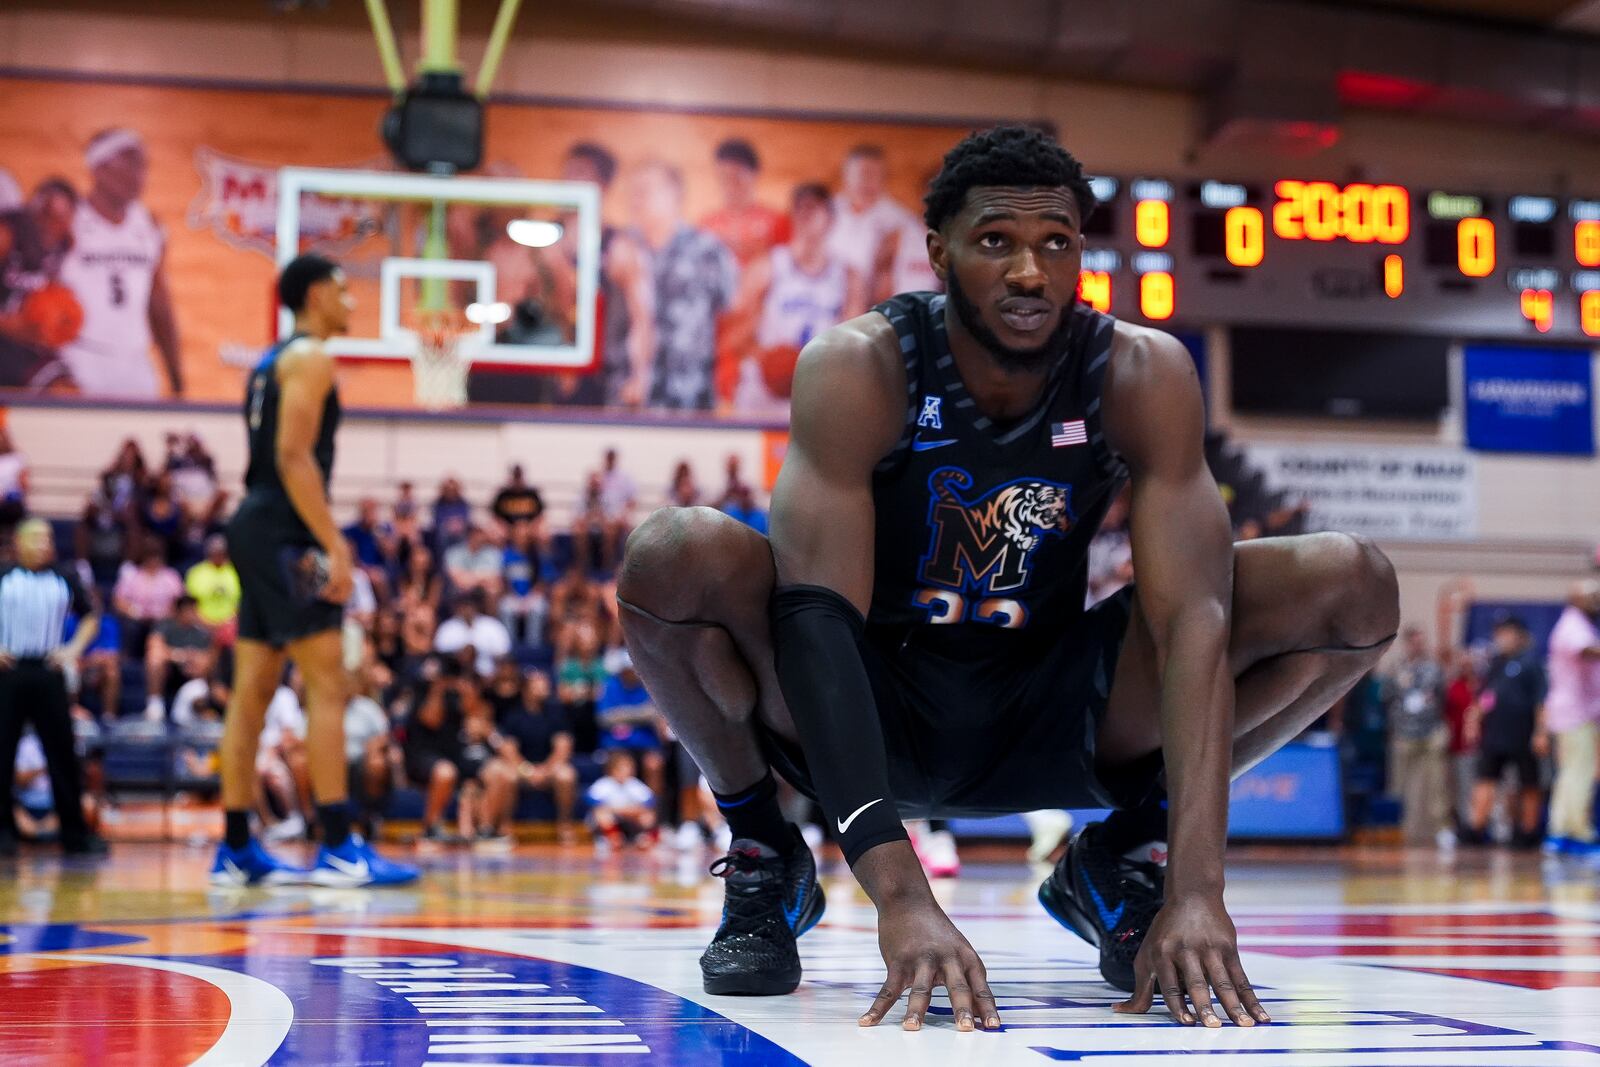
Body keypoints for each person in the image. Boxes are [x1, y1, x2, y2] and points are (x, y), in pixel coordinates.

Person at [617, 125, 1398, 1024]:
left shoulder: (1139, 372)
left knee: (1353, 583)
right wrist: (901, 893)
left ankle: (1122, 854)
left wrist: (1196, 887)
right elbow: (816, 621)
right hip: (870, 703)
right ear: (939, 252)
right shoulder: (861, 364)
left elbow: (1194, 622)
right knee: (674, 553)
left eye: (1055, 242)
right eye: (998, 241)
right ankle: (763, 849)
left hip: (1052, 702)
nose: (1031, 271)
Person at [211, 254, 416, 888]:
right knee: (328, 684)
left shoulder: (271, 362)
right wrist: (337, 545)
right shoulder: (311, 358)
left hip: (256, 524)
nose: (352, 304)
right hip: (283, 532)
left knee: (252, 692)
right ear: (315, 295)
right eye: (344, 292)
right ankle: (336, 847)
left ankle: (237, 847)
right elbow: (295, 458)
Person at [0, 519, 108, 857]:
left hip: (49, 671)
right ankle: (4, 833)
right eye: (36, 538)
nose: (45, 544)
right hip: (10, 671)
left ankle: (74, 834)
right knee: (1, 754)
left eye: (48, 538)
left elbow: (92, 615)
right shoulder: (3, 576)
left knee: (62, 754)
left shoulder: (65, 577)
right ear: (18, 542)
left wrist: (73, 650)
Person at [57, 128, 182, 397]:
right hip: (79, 356)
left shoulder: (149, 225)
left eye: (143, 166)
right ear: (98, 168)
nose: (139, 175)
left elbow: (159, 303)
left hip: (135, 360)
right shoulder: (69, 221)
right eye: (130, 164)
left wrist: (177, 378)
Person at [734, 182, 865, 414]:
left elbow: (852, 345)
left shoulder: (847, 276)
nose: (806, 214)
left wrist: (815, 366)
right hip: (766, 390)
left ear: (831, 219)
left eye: (813, 208)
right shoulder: (767, 267)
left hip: (818, 387)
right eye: (800, 208)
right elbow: (736, 335)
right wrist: (771, 360)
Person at [628, 160, 737, 411]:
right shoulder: (620, 248)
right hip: (629, 399)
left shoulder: (707, 250)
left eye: (644, 190)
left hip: (690, 395)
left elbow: (733, 313)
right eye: (632, 192)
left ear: (673, 194)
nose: (636, 199)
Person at [699, 138, 791, 406]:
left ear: (754, 175)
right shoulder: (707, 224)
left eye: (738, 176)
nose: (731, 185)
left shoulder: (776, 222)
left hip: (761, 331)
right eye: (724, 178)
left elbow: (788, 276)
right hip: (720, 331)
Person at [1462, 616, 1548, 849]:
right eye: (1499, 633)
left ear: (1519, 635)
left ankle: (1528, 832)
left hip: (1522, 734)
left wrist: (1540, 731)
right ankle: (1476, 829)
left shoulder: (1531, 664)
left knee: (1529, 783)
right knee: (1485, 779)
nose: (1502, 638)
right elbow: (1485, 697)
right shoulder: (1496, 664)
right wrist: (1473, 719)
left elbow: (1541, 700)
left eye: (1507, 633)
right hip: (1495, 735)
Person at [1542, 580, 1600, 854]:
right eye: (1593, 597)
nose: (1597, 602)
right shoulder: (1573, 625)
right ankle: (1578, 832)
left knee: (1569, 774)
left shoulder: (1580, 624)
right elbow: (1587, 651)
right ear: (1577, 599)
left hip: (1576, 712)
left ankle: (1559, 832)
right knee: (1580, 773)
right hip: (1575, 714)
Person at [825, 144, 917, 308]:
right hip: (825, 307)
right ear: (845, 175)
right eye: (861, 173)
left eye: (874, 174)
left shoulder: (901, 221)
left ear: (884, 178)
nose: (867, 181)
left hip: (878, 309)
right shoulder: (825, 212)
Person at [1383, 626, 1450, 848]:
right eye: (1415, 641)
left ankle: (1441, 828)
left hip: (1430, 732)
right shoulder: (1396, 669)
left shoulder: (1434, 669)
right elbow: (1386, 698)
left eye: (1422, 641)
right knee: (1401, 785)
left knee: (1435, 784)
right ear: (1407, 643)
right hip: (1404, 733)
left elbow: (1443, 698)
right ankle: (1402, 828)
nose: (1419, 645)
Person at [498, 668, 578, 842]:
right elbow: (509, 751)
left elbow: (563, 747)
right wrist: (528, 771)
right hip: (522, 769)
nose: (545, 688)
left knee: (566, 774)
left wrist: (545, 770)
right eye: (539, 685)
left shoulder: (556, 713)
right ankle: (505, 826)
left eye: (545, 684)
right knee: (507, 775)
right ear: (526, 689)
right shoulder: (514, 715)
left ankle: (564, 825)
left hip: (549, 768)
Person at [143, 595, 214, 720]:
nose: (192, 614)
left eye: (194, 609)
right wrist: (180, 655)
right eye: (188, 610)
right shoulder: (165, 625)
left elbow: (209, 656)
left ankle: (204, 710)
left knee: (206, 665)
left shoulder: (201, 631)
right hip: (170, 670)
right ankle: (155, 705)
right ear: (179, 611)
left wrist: (194, 660)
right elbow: (154, 646)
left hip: (193, 675)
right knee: (154, 659)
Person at [586, 748, 656, 851]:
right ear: (612, 769)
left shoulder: (634, 784)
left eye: (628, 768)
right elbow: (593, 802)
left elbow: (650, 802)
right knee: (601, 814)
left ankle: (644, 838)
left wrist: (629, 811)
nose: (626, 771)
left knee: (648, 816)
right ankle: (613, 838)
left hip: (630, 819)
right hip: (611, 820)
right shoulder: (604, 783)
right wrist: (619, 810)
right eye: (621, 768)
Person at [434, 591, 513, 680]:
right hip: (455, 676)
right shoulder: (447, 628)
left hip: (489, 676)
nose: (467, 609)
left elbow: (503, 653)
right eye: (464, 606)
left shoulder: (492, 625)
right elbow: (439, 653)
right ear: (457, 607)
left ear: (476, 606)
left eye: (470, 606)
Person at [185, 534, 241, 636]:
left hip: (231, 625)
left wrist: (229, 623)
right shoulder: (196, 573)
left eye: (221, 553)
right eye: (215, 552)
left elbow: (240, 603)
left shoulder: (236, 572)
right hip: (200, 625)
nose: (218, 555)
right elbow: (190, 605)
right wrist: (204, 623)